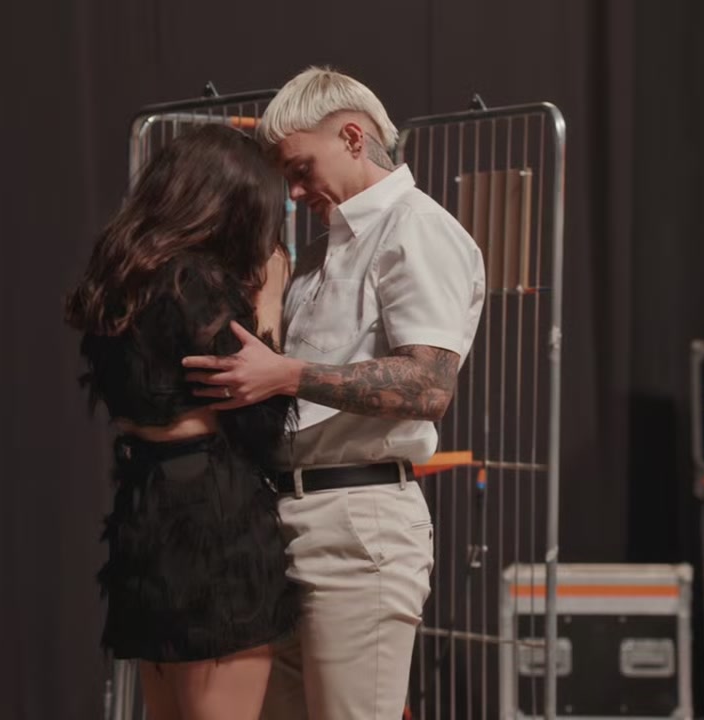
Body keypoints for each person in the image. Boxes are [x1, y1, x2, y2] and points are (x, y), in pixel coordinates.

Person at [182, 67, 486, 719]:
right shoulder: (327, 251)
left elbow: (429, 385)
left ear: (352, 137)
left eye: (300, 170)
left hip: (357, 521)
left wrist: (286, 375)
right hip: (290, 517)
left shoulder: (416, 229)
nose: (293, 193)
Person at [64, 123, 300, 720]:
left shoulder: (123, 272)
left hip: (144, 507)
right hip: (209, 521)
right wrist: (270, 299)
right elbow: (262, 421)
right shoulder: (196, 283)